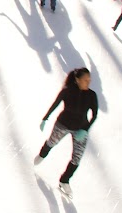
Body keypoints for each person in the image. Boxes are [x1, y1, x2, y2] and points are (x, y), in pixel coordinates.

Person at [34, 68, 99, 199]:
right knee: (52, 142)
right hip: (63, 125)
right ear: (77, 80)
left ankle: (64, 180)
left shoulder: (91, 95)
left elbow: (94, 114)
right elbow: (55, 104)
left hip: (80, 129)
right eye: (85, 79)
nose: (88, 82)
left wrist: (85, 129)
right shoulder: (67, 91)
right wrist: (45, 118)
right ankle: (43, 153)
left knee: (77, 157)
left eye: (89, 79)